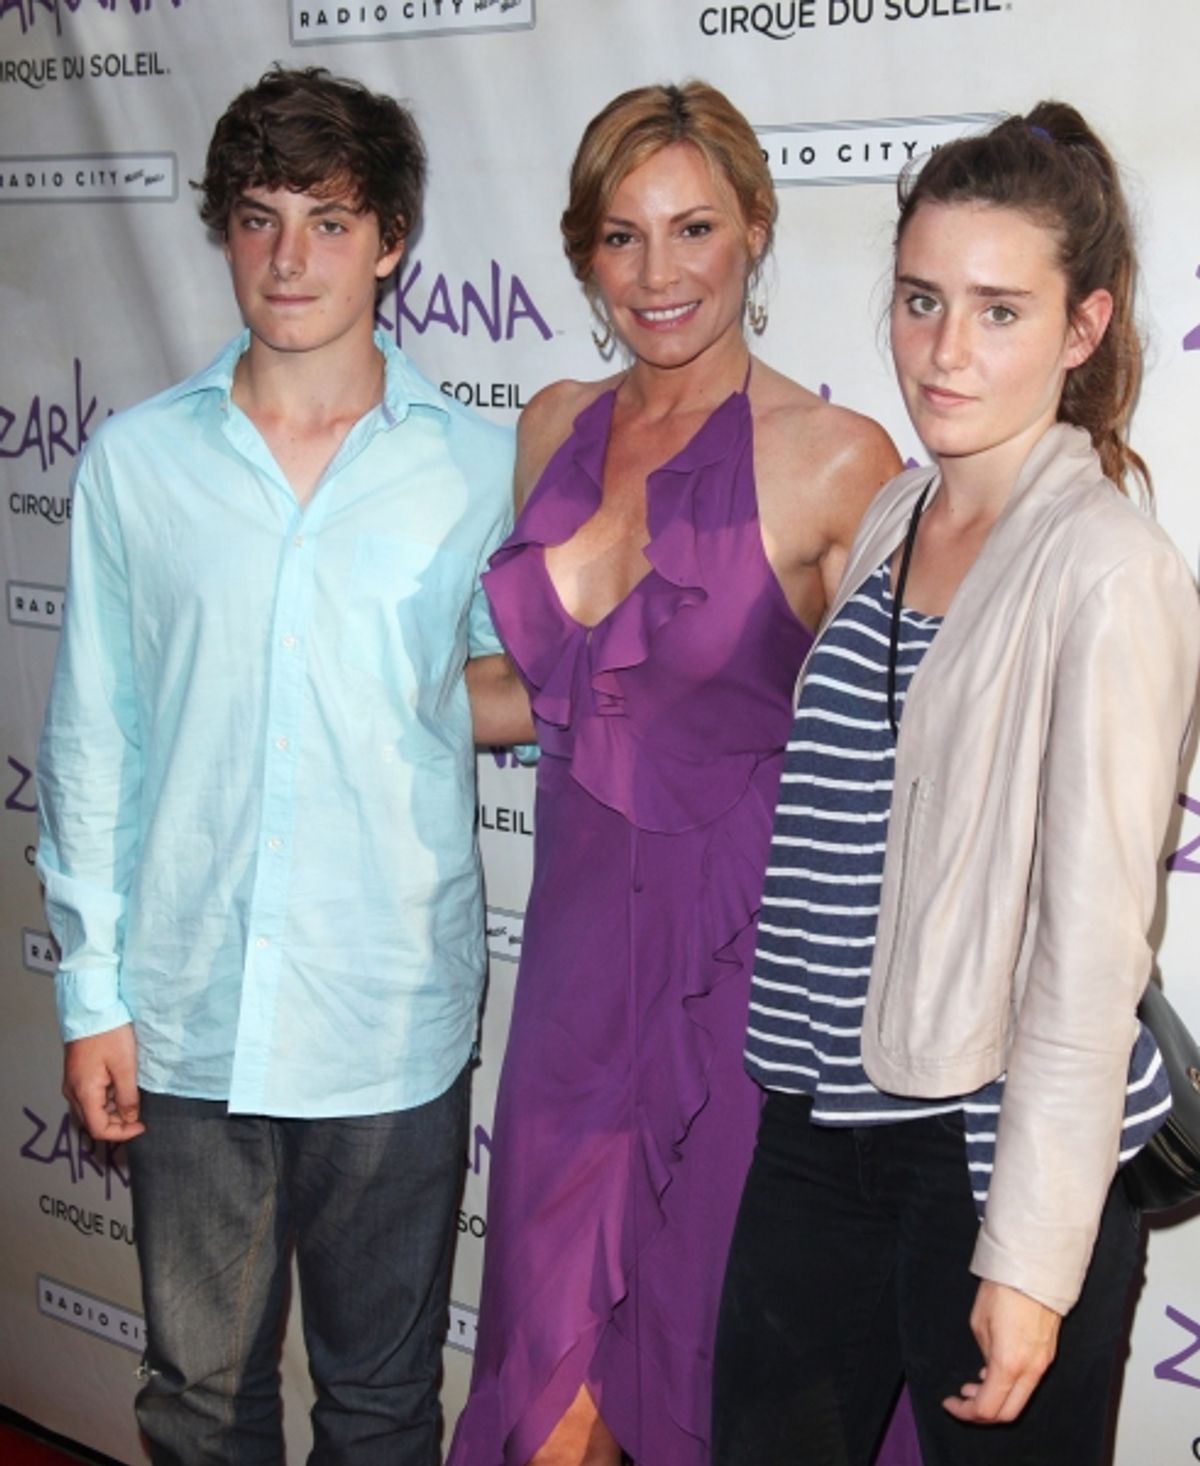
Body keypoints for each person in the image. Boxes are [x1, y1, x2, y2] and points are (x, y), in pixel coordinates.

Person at [36, 66, 513, 1465]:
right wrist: (91, 989)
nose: (288, 257)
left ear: (392, 239)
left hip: (387, 1011)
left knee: (379, 1409)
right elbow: (92, 735)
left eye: (327, 218)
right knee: (196, 1404)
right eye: (256, 218)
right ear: (222, 232)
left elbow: (511, 689)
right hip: (188, 1019)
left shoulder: (478, 468)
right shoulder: (135, 466)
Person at [712, 101, 1200, 1466]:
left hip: (988, 1149)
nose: (944, 349)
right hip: (818, 1118)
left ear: (1083, 327)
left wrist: (1034, 1255)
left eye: (998, 310)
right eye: (923, 300)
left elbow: (1091, 949)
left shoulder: (1109, 569)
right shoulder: (892, 511)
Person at [450, 82, 899, 1466]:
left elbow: (907, 759)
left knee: (728, 1397)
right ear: (584, 254)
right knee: (548, 1401)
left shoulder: (839, 462)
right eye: (623, 237)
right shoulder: (549, 427)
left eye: (695, 227)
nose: (660, 274)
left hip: (745, 998)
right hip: (577, 988)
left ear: (755, 232)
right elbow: (559, 697)